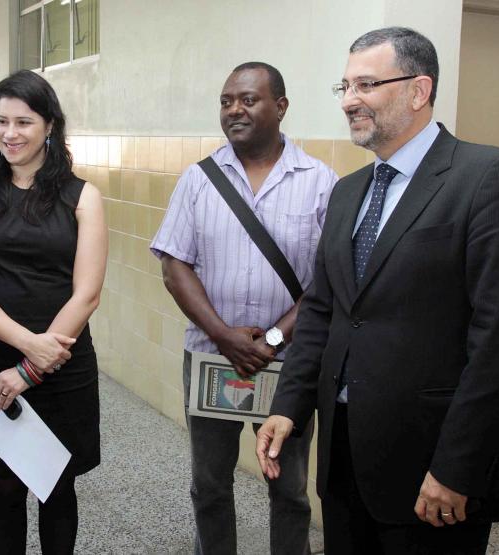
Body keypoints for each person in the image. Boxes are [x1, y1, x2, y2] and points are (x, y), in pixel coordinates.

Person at [256, 27, 499, 554]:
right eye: (343, 87)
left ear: (419, 91)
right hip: (344, 457)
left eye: (366, 84)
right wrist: (289, 405)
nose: (349, 101)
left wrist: (457, 465)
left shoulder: (490, 178)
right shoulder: (348, 193)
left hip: (432, 468)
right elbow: (325, 311)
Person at [150, 62, 338, 555]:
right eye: (226, 100)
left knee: (289, 487)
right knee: (210, 484)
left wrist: (273, 339)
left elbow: (328, 282)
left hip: (289, 364)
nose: (234, 109)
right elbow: (175, 267)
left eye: (248, 99)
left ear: (280, 106)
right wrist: (224, 335)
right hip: (213, 358)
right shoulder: (198, 180)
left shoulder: (320, 182)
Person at [0, 70, 107, 554]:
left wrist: (32, 366)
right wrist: (26, 348)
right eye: (1, 122)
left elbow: (86, 295)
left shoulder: (83, 198)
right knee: (3, 484)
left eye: (24, 121)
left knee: (56, 485)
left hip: (62, 365)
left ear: (49, 127)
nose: (10, 133)